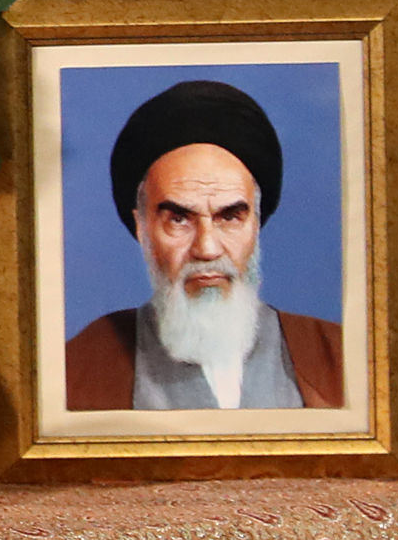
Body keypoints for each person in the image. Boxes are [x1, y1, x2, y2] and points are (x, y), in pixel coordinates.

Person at [65, 79, 344, 411]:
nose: (207, 249)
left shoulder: (338, 357)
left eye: (230, 217)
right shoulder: (80, 367)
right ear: (142, 226)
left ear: (256, 223)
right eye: (179, 219)